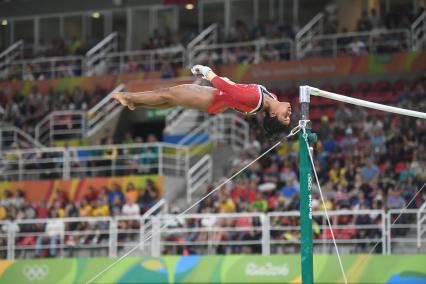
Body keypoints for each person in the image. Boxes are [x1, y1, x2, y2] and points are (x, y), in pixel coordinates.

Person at [112, 65, 292, 137]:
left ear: (274, 114)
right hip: (217, 99)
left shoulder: (256, 99)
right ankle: (137, 103)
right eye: (289, 116)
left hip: (213, 98)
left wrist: (206, 72)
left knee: (168, 94)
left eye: (285, 117)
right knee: (174, 100)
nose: (289, 113)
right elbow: (235, 89)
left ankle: (128, 97)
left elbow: (225, 87)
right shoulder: (272, 98)